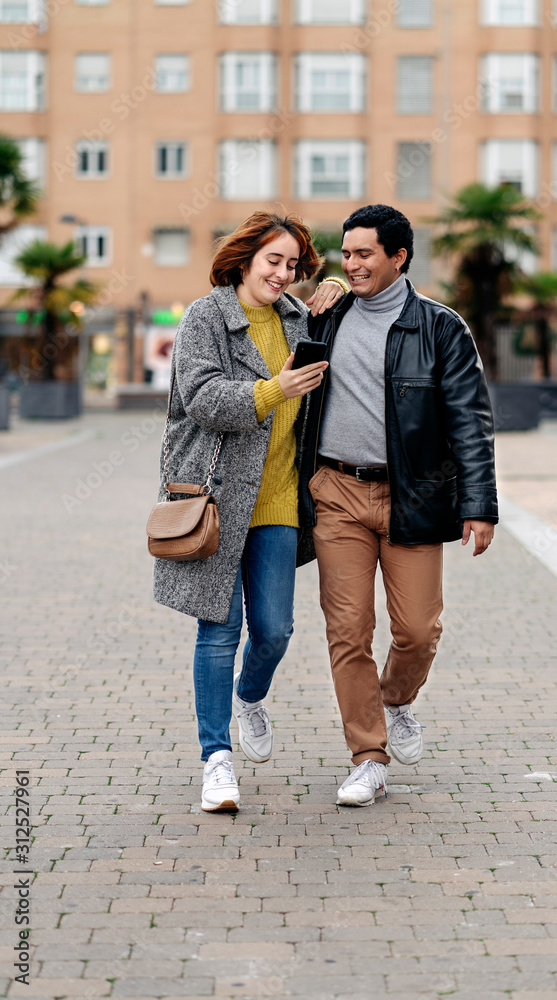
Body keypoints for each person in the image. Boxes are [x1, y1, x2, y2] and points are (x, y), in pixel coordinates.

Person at [300, 204, 497, 807]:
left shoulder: (440, 328)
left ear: (398, 257)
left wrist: (480, 502)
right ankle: (367, 756)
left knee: (416, 629)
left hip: (414, 494)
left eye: (364, 254)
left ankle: (397, 699)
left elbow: (470, 418)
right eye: (346, 253)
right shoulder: (327, 316)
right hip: (335, 492)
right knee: (348, 629)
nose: (351, 264)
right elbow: (271, 305)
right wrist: (325, 285)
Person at [153, 210, 346, 813]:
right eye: (274, 261)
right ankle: (217, 760)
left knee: (275, 629)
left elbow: (343, 320)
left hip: (280, 500)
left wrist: (334, 290)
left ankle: (249, 696)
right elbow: (203, 397)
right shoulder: (205, 317)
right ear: (244, 260)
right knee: (219, 628)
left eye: (293, 265)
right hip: (214, 497)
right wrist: (273, 390)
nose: (284, 274)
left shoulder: (295, 317)